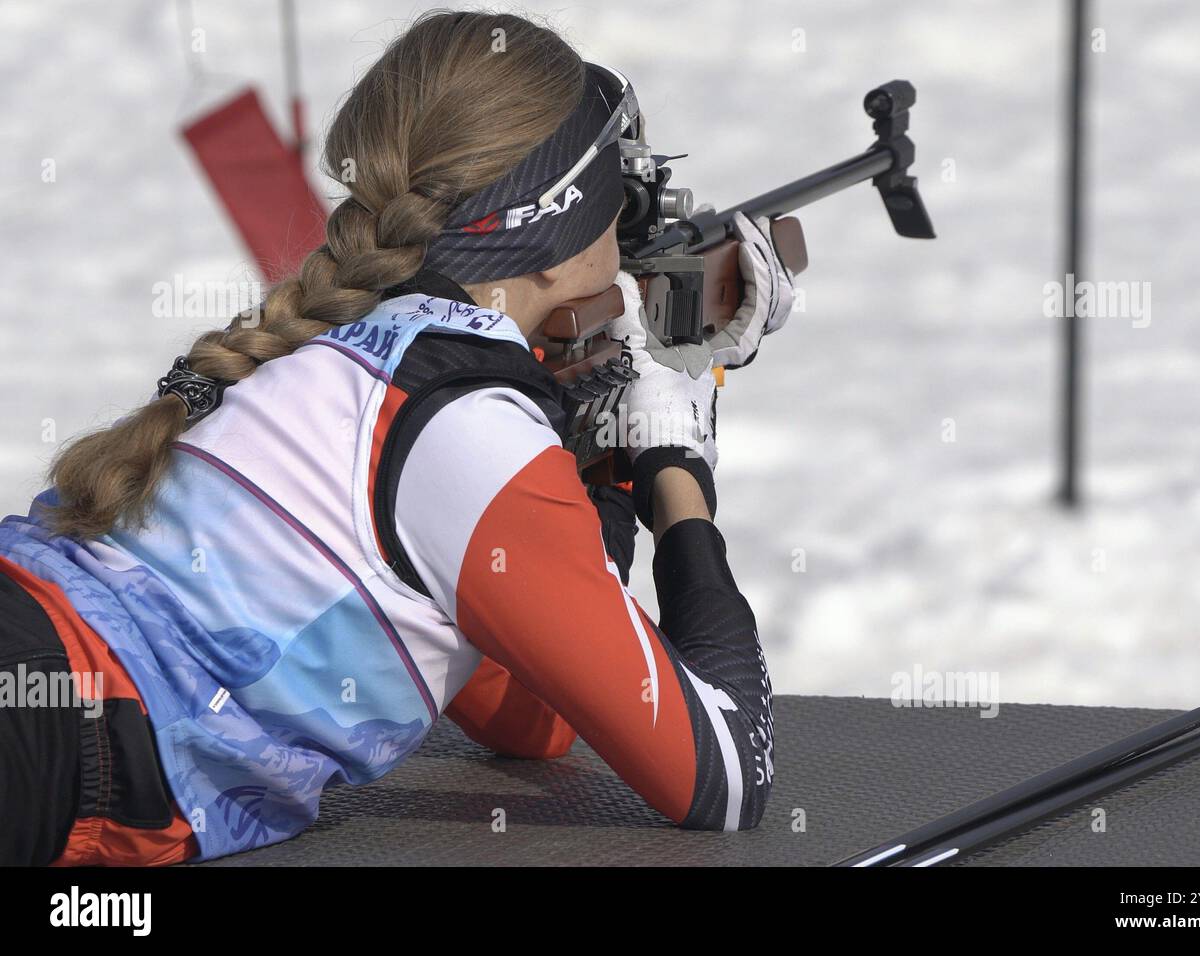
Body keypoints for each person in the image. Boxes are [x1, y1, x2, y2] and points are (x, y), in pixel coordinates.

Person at [0, 8, 795, 865]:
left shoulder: (332, 335)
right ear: (555, 252)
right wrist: (679, 469)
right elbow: (727, 775)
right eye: (616, 210)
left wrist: (595, 470)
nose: (629, 240)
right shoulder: (471, 433)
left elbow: (538, 718)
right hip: (60, 736)